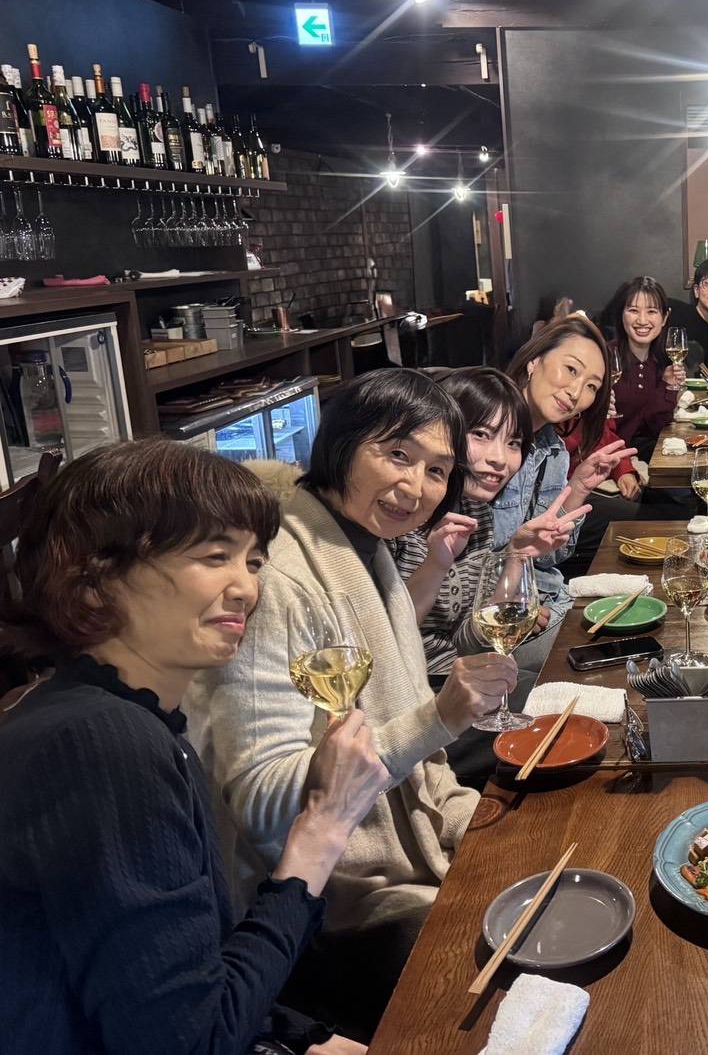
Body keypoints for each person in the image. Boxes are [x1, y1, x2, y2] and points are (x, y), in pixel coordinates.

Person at [0, 439, 385, 1055]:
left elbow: (174, 976)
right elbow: (191, 1041)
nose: (246, 589)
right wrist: (323, 828)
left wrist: (303, 1035)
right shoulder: (102, 744)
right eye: (214, 556)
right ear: (93, 578)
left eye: (253, 561)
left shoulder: (129, 719)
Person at [186, 369, 520, 1037]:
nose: (414, 487)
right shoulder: (278, 578)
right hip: (325, 910)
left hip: (400, 849)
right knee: (518, 976)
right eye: (396, 453)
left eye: (436, 470)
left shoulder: (363, 548)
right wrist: (438, 719)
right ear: (340, 443)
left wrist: (469, 820)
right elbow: (260, 802)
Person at [394, 367, 590, 786]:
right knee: (558, 712)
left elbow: (473, 636)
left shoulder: (474, 511)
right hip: (416, 702)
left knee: (573, 680)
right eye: (481, 435)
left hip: (463, 673)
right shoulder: (398, 518)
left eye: (513, 442)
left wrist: (517, 556)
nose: (500, 458)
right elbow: (388, 641)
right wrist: (435, 565)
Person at [504, 314, 636, 590]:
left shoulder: (554, 451)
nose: (576, 392)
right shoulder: (488, 432)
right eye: (571, 369)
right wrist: (515, 598)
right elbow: (464, 559)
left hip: (542, 593)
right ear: (534, 360)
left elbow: (548, 556)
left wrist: (577, 488)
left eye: (591, 386)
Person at [606, 275, 683, 462]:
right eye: (633, 310)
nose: (642, 320)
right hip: (611, 459)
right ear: (621, 314)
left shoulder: (658, 361)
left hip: (641, 453)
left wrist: (667, 386)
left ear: (664, 317)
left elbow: (655, 426)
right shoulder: (605, 357)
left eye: (651, 311)